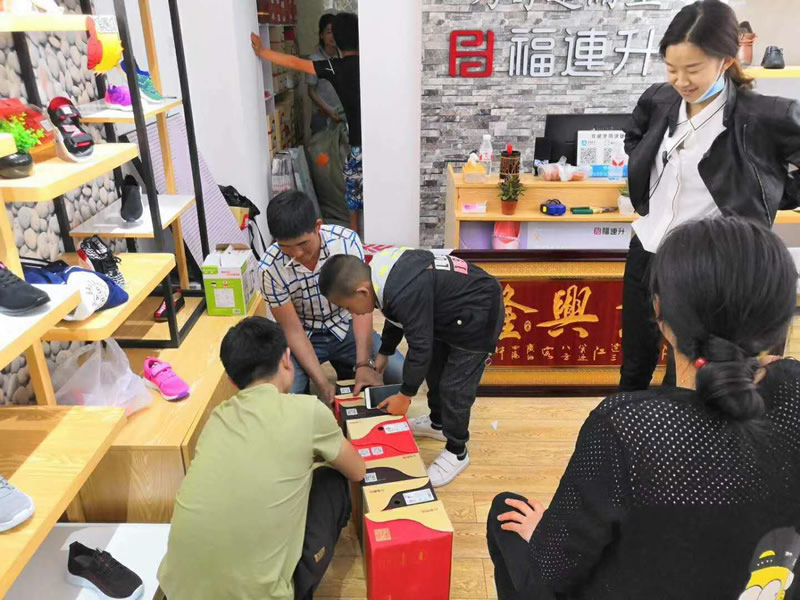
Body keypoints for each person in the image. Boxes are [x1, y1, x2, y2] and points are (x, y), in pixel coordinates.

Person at [486, 217, 800, 599]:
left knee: (505, 513)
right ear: (779, 319)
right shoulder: (794, 388)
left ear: (661, 314)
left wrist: (543, 534)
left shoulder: (629, 426)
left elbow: (553, 571)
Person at [620, 0, 800, 391]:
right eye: (672, 69)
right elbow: (634, 138)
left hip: (704, 262)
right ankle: (627, 418)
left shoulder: (763, 116)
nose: (681, 80)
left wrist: (771, 193)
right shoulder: (659, 100)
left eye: (693, 69)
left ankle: (682, 426)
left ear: (726, 60)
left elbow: (776, 178)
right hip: (647, 246)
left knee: (686, 370)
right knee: (634, 359)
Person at [157, 317, 366, 600]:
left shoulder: (217, 418)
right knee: (333, 479)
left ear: (232, 381)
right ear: (287, 360)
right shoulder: (308, 411)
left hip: (176, 591)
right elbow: (357, 470)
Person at [319, 249, 504, 488]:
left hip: (479, 312)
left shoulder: (403, 289)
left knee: (454, 388)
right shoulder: (382, 275)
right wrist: (385, 351)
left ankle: (457, 450)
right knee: (434, 372)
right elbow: (397, 316)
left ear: (362, 292)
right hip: (448, 313)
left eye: (348, 307)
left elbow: (420, 348)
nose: (352, 313)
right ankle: (437, 423)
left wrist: (405, 395)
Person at [259, 190, 403, 405]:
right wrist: (322, 383)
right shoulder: (269, 269)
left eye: (303, 244)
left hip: (346, 326)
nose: (296, 254)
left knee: (398, 373)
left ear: (318, 226)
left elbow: (361, 308)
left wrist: (363, 364)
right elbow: (292, 330)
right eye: (286, 247)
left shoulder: (345, 242)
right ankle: (331, 373)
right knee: (289, 397)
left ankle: (349, 367)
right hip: (305, 334)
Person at [252, 13, 363, 235]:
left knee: (352, 182)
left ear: (337, 40)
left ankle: (353, 228)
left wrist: (263, 52)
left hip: (357, 142)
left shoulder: (335, 67)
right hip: (379, 138)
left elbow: (295, 62)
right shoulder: (368, 63)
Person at [307, 13, 345, 134]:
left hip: (342, 117)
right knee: (321, 147)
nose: (333, 36)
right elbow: (311, 91)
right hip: (322, 117)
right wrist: (328, 110)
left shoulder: (344, 58)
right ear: (321, 35)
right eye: (329, 32)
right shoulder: (314, 60)